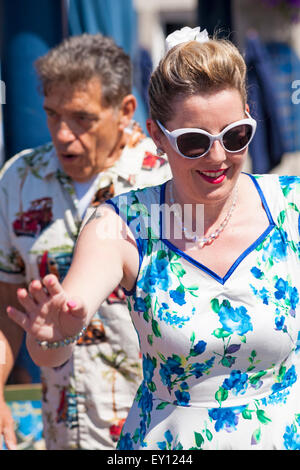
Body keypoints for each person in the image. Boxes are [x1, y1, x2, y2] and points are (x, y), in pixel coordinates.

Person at [6, 25, 300, 451]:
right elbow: (52, 344)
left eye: (236, 135)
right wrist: (56, 332)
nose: (218, 157)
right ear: (159, 136)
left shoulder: (290, 206)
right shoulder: (122, 222)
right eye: (195, 142)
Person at [0, 33, 171, 450]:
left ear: (125, 110)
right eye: (52, 114)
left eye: (82, 118)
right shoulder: (19, 179)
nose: (62, 133)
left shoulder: (166, 180)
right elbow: (6, 303)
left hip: (154, 434)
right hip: (61, 431)